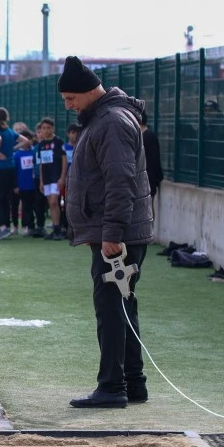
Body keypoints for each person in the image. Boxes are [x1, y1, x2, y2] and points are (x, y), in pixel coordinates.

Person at [58, 56, 153, 408]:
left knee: (111, 308)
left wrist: (112, 233)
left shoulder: (111, 121)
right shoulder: (104, 117)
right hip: (114, 230)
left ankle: (113, 387)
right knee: (121, 305)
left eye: (71, 98)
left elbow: (120, 180)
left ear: (87, 92)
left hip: (117, 234)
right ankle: (133, 383)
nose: (68, 105)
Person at [0, 108, 30, 241]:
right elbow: (25, 141)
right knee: (6, 199)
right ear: (7, 117)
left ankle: (3, 226)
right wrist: (13, 149)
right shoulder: (10, 131)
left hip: (0, 168)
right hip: (11, 167)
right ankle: (6, 226)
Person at [36, 117, 67, 240]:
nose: (46, 130)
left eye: (48, 127)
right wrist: (41, 181)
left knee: (54, 201)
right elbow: (41, 164)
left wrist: (62, 178)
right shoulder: (41, 145)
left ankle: (59, 229)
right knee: (51, 203)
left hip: (56, 177)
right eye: (44, 128)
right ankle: (56, 228)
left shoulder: (58, 142)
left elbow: (64, 160)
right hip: (47, 178)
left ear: (53, 128)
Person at [12, 130, 37, 235]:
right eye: (25, 139)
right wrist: (15, 185)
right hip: (21, 185)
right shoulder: (16, 155)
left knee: (31, 207)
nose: (27, 141)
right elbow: (14, 171)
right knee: (19, 207)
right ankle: (18, 226)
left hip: (33, 185)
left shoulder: (34, 152)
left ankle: (29, 226)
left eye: (29, 139)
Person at [140, 111, 163, 220]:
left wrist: (156, 179)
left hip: (148, 179)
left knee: (147, 208)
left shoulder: (149, 137)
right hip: (140, 180)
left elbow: (154, 160)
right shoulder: (139, 136)